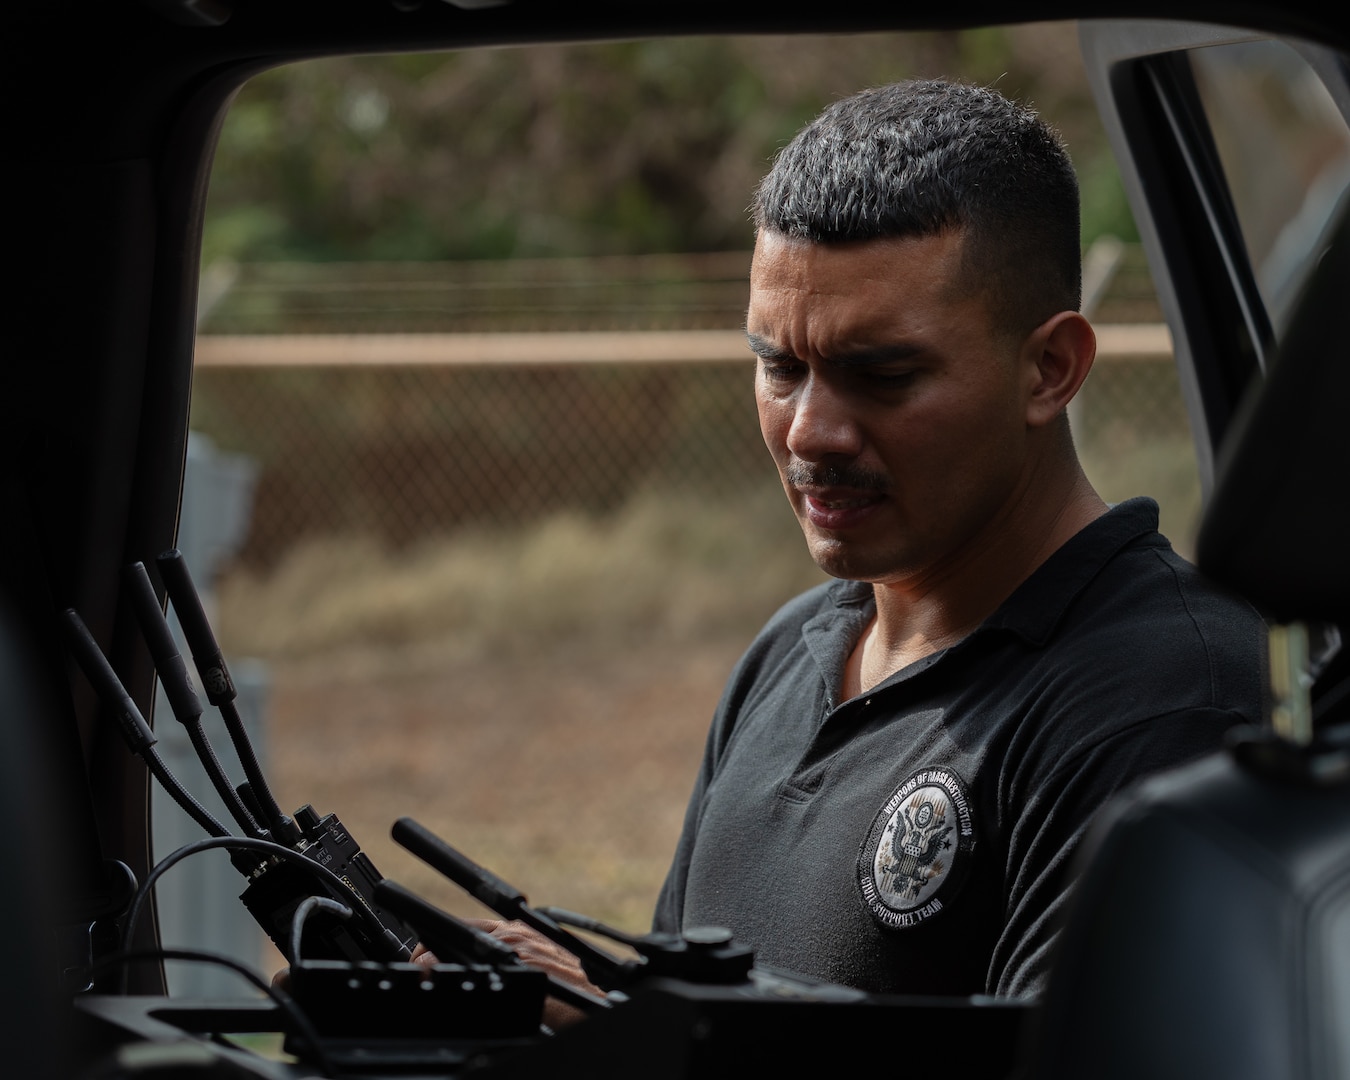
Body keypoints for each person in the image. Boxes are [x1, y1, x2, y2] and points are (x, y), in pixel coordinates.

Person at [425, 78, 1267, 1007]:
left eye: (882, 373)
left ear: (1050, 369)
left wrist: (627, 1026)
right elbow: (690, 1013)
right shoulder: (790, 652)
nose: (809, 431)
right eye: (779, 366)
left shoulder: (1170, 701)